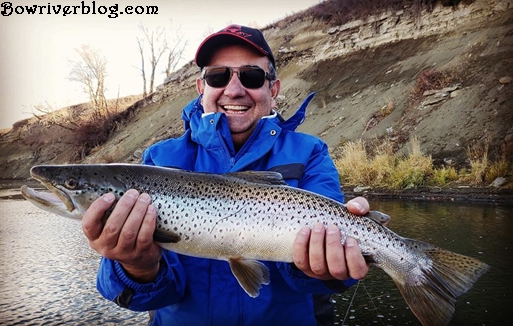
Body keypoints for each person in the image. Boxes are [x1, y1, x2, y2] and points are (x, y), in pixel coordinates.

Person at [81, 24, 375, 325]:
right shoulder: (159, 159)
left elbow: (324, 280)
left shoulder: (311, 153)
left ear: (272, 90)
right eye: (218, 76)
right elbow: (151, 295)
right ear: (201, 88)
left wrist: (320, 265)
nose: (234, 89)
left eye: (251, 76)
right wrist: (136, 268)